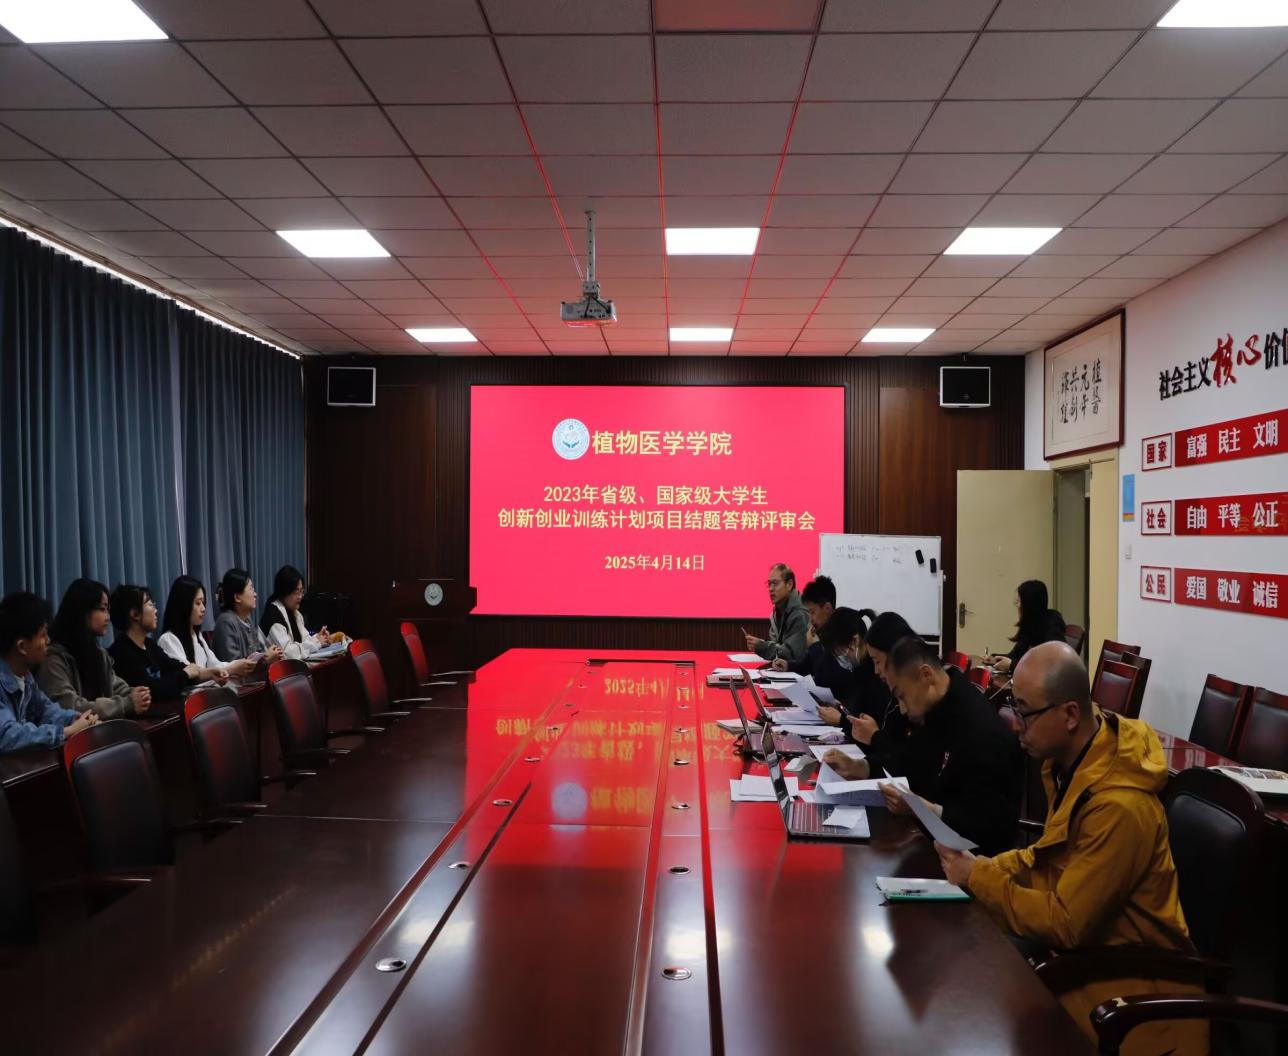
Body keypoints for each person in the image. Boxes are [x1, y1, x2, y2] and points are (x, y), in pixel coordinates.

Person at [936, 642, 1206, 1056]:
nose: (1017, 725)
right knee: (963, 965)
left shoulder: (1119, 807)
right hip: (1088, 964)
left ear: (1070, 715)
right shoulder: (1075, 765)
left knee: (972, 1002)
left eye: (1025, 712)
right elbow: (1049, 855)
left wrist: (979, 877)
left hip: (1134, 997)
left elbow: (1067, 924)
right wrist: (987, 867)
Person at [872, 635, 1022, 855]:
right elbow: (909, 760)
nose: (902, 709)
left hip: (974, 860)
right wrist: (863, 767)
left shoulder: (979, 727)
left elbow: (987, 824)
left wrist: (924, 809)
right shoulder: (938, 708)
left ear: (926, 675)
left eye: (902, 696)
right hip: (936, 843)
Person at [0, 592, 98, 753]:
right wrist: (66, 731)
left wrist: (78, 719)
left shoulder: (26, 678)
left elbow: (48, 711)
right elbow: (7, 736)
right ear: (22, 646)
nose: (48, 641)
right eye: (43, 635)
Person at [38, 578, 150, 718]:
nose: (107, 617)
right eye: (102, 609)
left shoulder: (98, 653)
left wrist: (139, 695)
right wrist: (126, 703)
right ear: (82, 611)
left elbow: (116, 686)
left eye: (108, 610)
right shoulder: (53, 658)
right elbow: (69, 706)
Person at [107, 584, 225, 699]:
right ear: (134, 614)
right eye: (150, 605)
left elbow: (174, 666)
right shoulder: (122, 652)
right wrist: (185, 674)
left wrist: (209, 673)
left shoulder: (148, 644)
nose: (156, 610)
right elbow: (152, 690)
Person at [158, 576, 257, 679]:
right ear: (184, 605)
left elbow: (215, 664)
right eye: (198, 603)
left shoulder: (197, 636)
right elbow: (187, 675)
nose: (203, 608)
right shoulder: (168, 640)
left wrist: (238, 664)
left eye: (203, 603)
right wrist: (232, 669)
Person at [770, 576, 851, 694]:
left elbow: (824, 679)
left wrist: (814, 646)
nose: (811, 619)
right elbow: (808, 664)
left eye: (812, 612)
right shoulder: (823, 631)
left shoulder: (842, 635)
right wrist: (788, 665)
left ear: (827, 608)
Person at [811, 606, 885, 730]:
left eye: (840, 653)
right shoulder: (858, 670)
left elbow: (871, 724)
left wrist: (841, 720)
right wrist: (839, 708)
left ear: (855, 641)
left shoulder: (875, 673)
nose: (841, 659)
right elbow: (854, 709)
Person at [985, 579, 1066, 676]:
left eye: (1019, 601)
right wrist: (995, 659)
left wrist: (1012, 665)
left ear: (1029, 604)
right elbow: (1015, 655)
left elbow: (1048, 666)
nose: (1017, 605)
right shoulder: (1030, 623)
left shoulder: (1052, 625)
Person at [212, 568, 283, 666]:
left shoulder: (247, 620)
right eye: (251, 589)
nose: (255, 594)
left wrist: (268, 656)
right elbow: (234, 667)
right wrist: (265, 660)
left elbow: (258, 652)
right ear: (237, 597)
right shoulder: (226, 622)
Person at [259, 565, 332, 660]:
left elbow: (305, 640)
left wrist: (319, 638)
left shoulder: (295, 613)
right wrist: (317, 642)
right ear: (283, 592)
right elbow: (287, 653)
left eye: (302, 591)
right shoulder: (273, 617)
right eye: (296, 592)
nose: (300, 596)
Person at [745, 563, 809, 664]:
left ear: (789, 584)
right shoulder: (777, 611)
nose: (770, 588)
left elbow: (791, 654)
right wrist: (761, 644)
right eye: (769, 584)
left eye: (775, 583)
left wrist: (762, 647)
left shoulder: (799, 613)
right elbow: (778, 646)